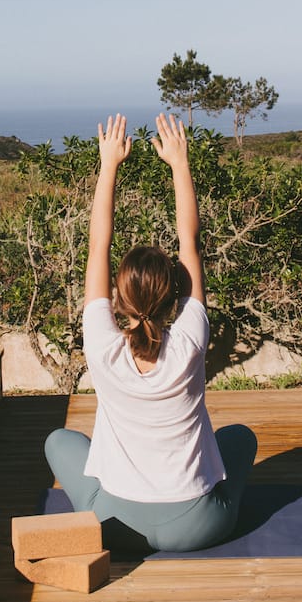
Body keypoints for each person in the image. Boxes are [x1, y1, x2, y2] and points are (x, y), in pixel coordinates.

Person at [44, 112, 257, 553]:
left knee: (59, 441)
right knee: (240, 439)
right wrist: (180, 164)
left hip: (114, 523)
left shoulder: (102, 344)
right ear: (174, 295)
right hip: (194, 526)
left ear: (117, 297)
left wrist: (108, 165)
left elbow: (98, 246)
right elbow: (190, 243)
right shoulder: (191, 339)